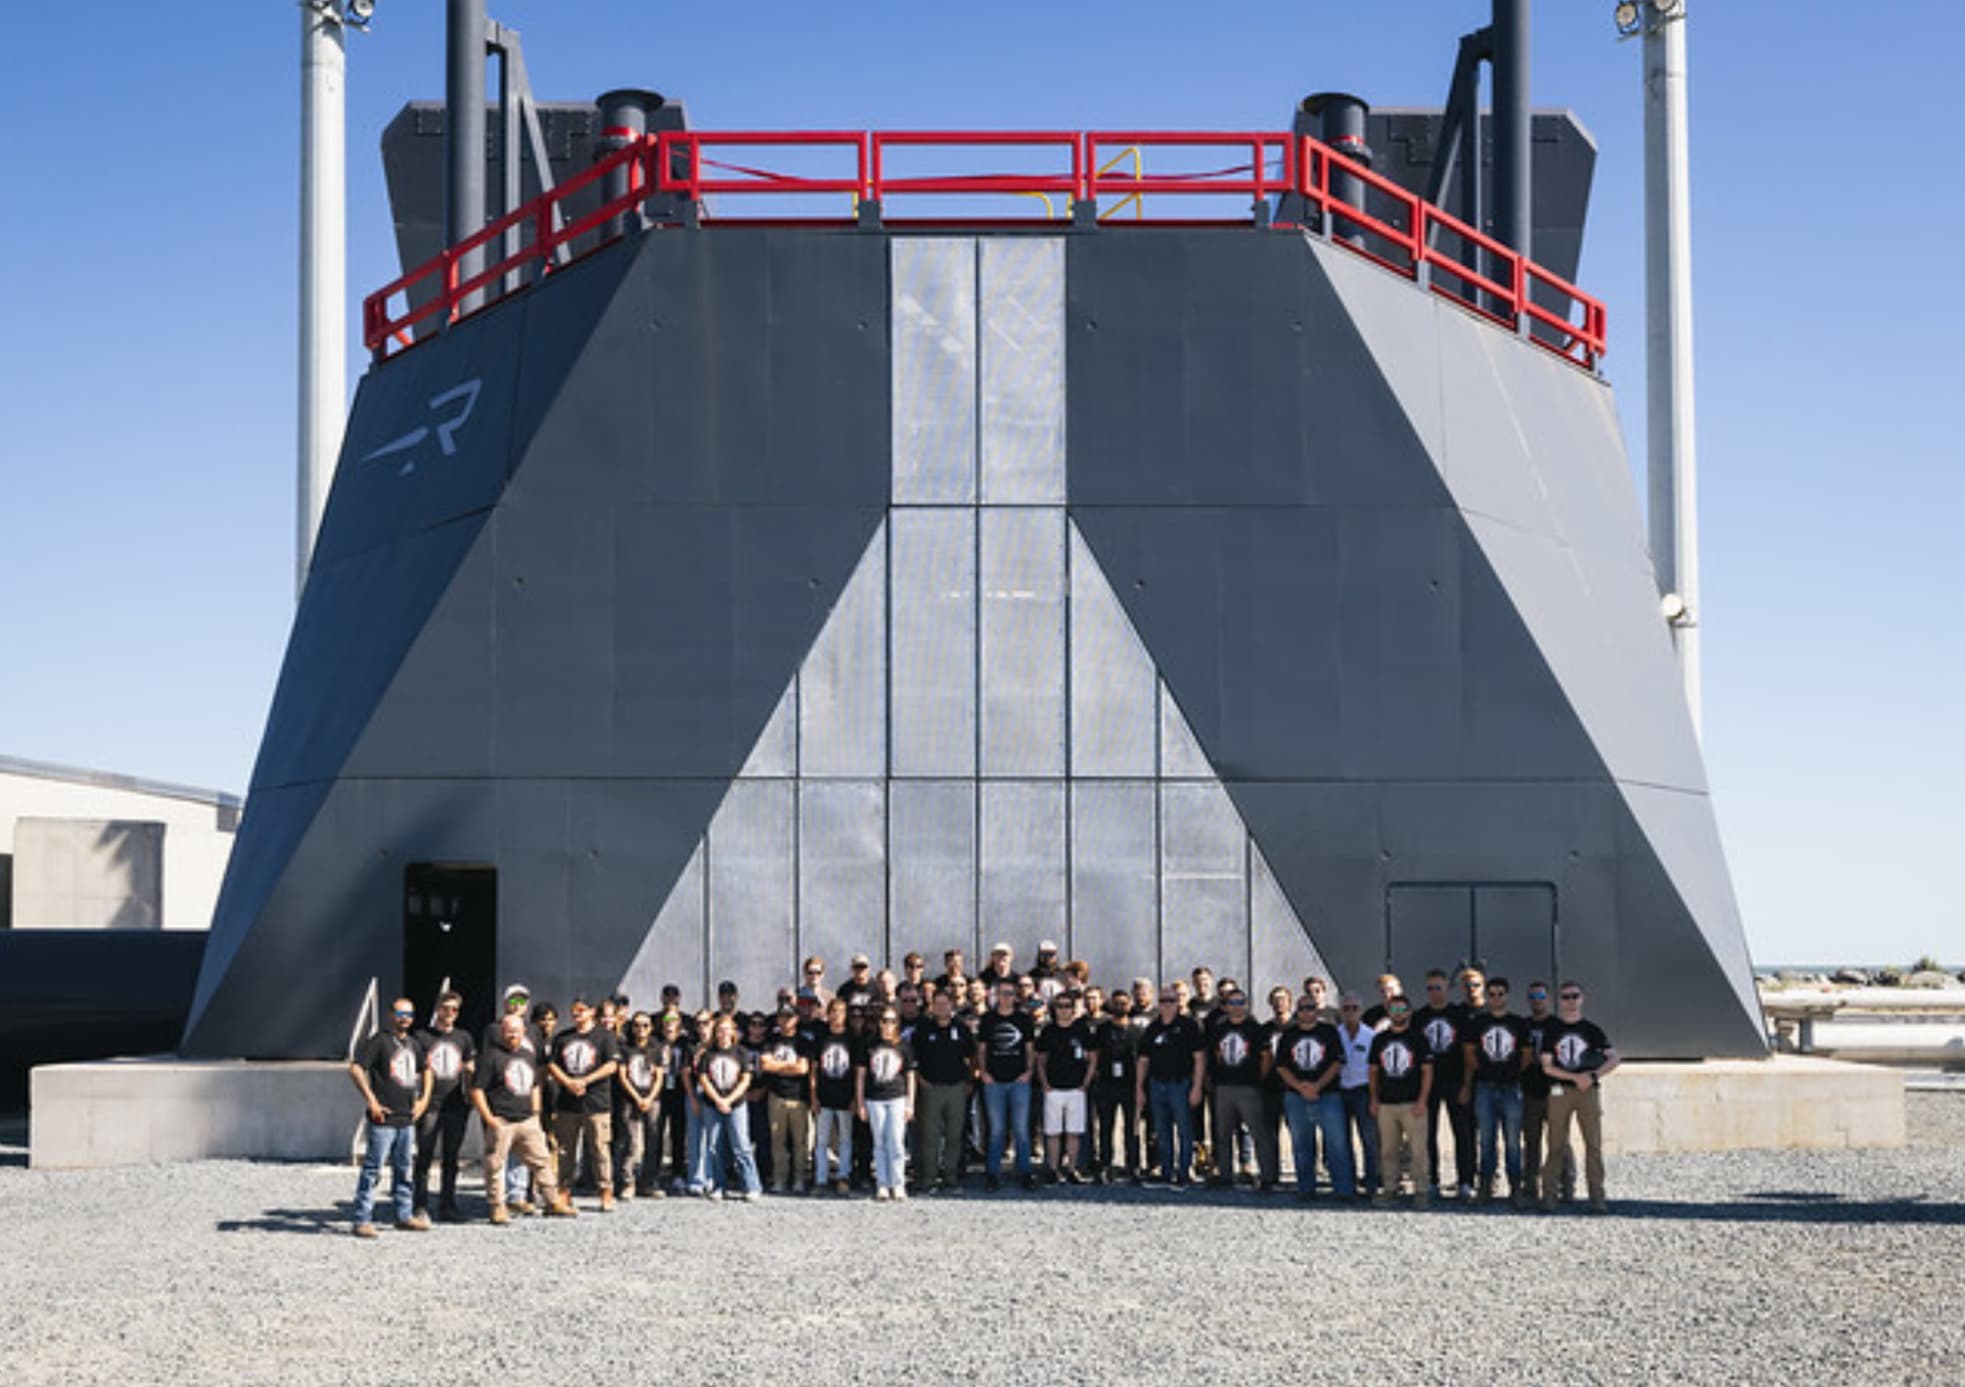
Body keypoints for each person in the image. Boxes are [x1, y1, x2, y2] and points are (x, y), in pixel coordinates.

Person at [471, 1012, 575, 1223]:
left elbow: (535, 1083)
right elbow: (476, 1090)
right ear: (501, 1032)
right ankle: (497, 1207)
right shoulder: (490, 1057)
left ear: (523, 1032)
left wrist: (536, 1112)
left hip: (527, 1120)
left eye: (516, 1032)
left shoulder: (528, 1055)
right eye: (509, 1032)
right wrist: (489, 1118)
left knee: (542, 1161)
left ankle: (552, 1202)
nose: (513, 1035)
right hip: (502, 1121)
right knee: (495, 1166)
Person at [347, 997, 433, 1237]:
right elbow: (355, 1068)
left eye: (409, 1014)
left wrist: (424, 1100)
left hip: (407, 1119)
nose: (405, 1018)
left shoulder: (414, 1045)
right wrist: (372, 1100)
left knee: (404, 1169)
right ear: (390, 1014)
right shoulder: (379, 1042)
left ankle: (403, 1215)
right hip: (383, 1119)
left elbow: (426, 1070)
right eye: (400, 1013)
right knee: (373, 1169)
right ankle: (362, 1219)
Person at [1538, 982, 1619, 1214]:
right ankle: (1550, 1196)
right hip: (1560, 1091)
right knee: (1555, 1144)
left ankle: (1597, 1197)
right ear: (1559, 1000)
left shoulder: (1592, 1030)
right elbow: (1547, 1066)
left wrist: (1592, 1076)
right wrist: (1574, 1078)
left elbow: (1613, 1059)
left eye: (1574, 996)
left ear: (1582, 999)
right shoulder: (1551, 1031)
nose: (1570, 1001)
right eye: (1565, 997)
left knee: (1593, 1144)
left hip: (1588, 1092)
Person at [1460, 976, 1530, 1205]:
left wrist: (1511, 1073)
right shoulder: (1476, 1024)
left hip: (1512, 1089)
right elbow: (1469, 1054)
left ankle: (1516, 1188)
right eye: (1492, 994)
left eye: (1501, 993)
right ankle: (1486, 1186)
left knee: (1512, 1140)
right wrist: (1483, 1075)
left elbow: (1527, 1056)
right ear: (1487, 997)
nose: (1496, 998)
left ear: (1507, 996)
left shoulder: (1519, 1024)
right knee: (1486, 1139)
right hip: (1485, 1088)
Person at [1277, 993, 1353, 1201]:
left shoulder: (1329, 1032)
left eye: (1310, 1007)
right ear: (1297, 1011)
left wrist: (1317, 1085)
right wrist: (1300, 1087)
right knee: (1302, 1144)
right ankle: (1306, 1188)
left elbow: (1337, 1062)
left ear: (1317, 1010)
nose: (1306, 1012)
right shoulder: (1289, 1034)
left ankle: (1343, 1190)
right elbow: (1281, 1066)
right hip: (1296, 1096)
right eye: (1302, 1008)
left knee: (1337, 1144)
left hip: (1328, 1094)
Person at [548, 996, 620, 1211]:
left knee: (599, 1148)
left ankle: (606, 1191)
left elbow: (612, 1065)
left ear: (591, 1012)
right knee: (565, 1150)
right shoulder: (562, 1038)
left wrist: (586, 1080)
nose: (577, 1014)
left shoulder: (605, 1037)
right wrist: (568, 1082)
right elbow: (552, 1065)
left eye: (581, 1010)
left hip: (596, 1102)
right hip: (567, 1104)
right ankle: (564, 1190)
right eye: (574, 1010)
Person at [412, 989, 475, 1223]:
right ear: (437, 1009)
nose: (449, 1013)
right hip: (430, 1104)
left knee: (452, 1156)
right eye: (445, 1008)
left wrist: (470, 1095)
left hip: (456, 1105)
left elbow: (469, 1067)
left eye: (454, 1009)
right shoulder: (421, 1037)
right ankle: (420, 1204)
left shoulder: (464, 1038)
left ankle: (448, 1203)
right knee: (424, 1155)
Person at [1414, 969, 1476, 1200]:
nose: (1434, 992)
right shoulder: (1419, 1017)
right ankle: (1432, 1181)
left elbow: (1469, 1053)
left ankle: (1466, 1181)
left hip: (1455, 1080)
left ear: (1447, 989)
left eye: (1438, 987)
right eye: (1430, 988)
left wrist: (1466, 1084)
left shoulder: (1459, 1016)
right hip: (1429, 1084)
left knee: (1463, 1132)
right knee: (1428, 1134)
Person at [1136, 985, 1204, 1191]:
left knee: (1184, 1129)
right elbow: (1143, 1061)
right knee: (1161, 1130)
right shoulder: (1152, 1028)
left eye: (1171, 1001)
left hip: (1181, 1084)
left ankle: (1184, 1173)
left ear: (1178, 1003)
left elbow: (1199, 1059)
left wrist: (1197, 1087)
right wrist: (1139, 1089)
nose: (1167, 1005)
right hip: (1157, 1084)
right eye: (1164, 1001)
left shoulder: (1189, 1026)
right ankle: (1166, 1172)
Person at [1207, 988, 1277, 1190]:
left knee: (1258, 1133)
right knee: (1223, 1133)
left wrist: (1258, 1079)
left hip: (1249, 1087)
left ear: (1246, 1005)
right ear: (1226, 1006)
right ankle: (1226, 1175)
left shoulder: (1255, 1028)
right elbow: (1217, 1053)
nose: (1236, 1007)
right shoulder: (1219, 1028)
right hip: (1224, 1086)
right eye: (1232, 1003)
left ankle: (1267, 1176)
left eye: (1240, 1003)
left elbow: (1266, 1058)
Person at [1368, 996, 1432, 1208]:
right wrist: (1374, 1099)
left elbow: (1427, 1072)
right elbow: (1374, 1072)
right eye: (1393, 1008)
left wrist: (1422, 1100)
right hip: (1386, 1103)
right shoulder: (1379, 1040)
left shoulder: (1419, 1039)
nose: (1397, 1013)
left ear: (1409, 1012)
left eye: (1402, 1009)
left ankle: (1421, 1191)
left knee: (1417, 1150)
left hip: (1412, 1103)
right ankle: (1390, 1188)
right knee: (1388, 1150)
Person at [976, 979, 1037, 1192]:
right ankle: (992, 1173)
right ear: (996, 996)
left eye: (1011, 993)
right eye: (1003, 993)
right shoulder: (988, 1019)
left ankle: (1025, 1171)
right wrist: (983, 1072)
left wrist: (1029, 1072)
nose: (1007, 997)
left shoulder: (1023, 1020)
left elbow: (1030, 1049)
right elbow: (982, 1049)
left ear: (1016, 996)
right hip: (994, 1082)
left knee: (1021, 1129)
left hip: (1019, 1081)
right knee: (996, 1130)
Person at [911, 988, 974, 1193]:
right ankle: (929, 1179)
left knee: (954, 1135)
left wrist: (968, 1080)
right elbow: (913, 1059)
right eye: (936, 1003)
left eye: (944, 1004)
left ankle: (950, 1178)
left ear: (952, 1006)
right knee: (929, 1136)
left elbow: (972, 1056)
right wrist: (921, 1080)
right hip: (931, 1089)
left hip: (956, 1088)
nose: (941, 1007)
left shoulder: (961, 1028)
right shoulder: (923, 1029)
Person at [695, 1014, 763, 1201]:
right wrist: (718, 1100)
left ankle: (751, 1185)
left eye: (727, 1029)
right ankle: (719, 1185)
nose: (724, 1033)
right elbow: (703, 1079)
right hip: (712, 1104)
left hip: (737, 1104)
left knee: (741, 1144)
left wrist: (729, 1100)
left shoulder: (741, 1052)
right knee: (714, 1146)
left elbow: (745, 1080)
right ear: (715, 1032)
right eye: (720, 1030)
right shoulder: (708, 1054)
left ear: (733, 1032)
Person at [1035, 990, 1097, 1184]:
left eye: (1067, 1006)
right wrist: (1045, 1084)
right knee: (1053, 1132)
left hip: (1076, 1089)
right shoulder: (1048, 1031)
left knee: (1073, 1132)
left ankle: (1072, 1169)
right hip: (1054, 1089)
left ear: (1073, 1009)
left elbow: (1093, 1058)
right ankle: (1053, 1169)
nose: (1063, 1010)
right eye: (1059, 1006)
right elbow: (1041, 1059)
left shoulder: (1082, 1030)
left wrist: (1085, 1083)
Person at [1520, 980, 1571, 1204]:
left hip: (1555, 1091)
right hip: (1530, 1091)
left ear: (1549, 999)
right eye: (1532, 997)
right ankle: (1531, 1184)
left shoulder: (1558, 1026)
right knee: (1531, 1141)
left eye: (1541, 997)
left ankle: (1565, 1184)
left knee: (1559, 1141)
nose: (1536, 1002)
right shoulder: (1523, 1025)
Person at [858, 1006, 916, 1201]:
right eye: (884, 1020)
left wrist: (910, 1103)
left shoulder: (904, 1046)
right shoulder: (869, 1044)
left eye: (892, 1021)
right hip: (874, 1099)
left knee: (897, 1142)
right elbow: (860, 1076)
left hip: (897, 1097)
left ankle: (898, 1184)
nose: (887, 1025)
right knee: (880, 1142)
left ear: (897, 1024)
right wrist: (860, 1103)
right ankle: (882, 1184)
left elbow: (910, 1076)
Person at [759, 1006, 815, 1194]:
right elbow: (765, 1064)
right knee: (778, 1141)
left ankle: (799, 1178)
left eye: (789, 1017)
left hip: (798, 1097)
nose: (786, 1021)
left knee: (800, 1142)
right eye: (782, 1016)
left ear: (796, 1019)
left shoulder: (803, 1042)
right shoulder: (771, 1040)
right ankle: (779, 1178)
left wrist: (778, 1066)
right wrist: (790, 1066)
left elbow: (803, 1069)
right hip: (776, 1096)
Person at [614, 1011, 668, 1200]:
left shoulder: (657, 1047)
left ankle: (649, 1182)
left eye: (645, 1025)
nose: (641, 1029)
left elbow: (660, 1076)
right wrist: (637, 1097)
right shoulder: (625, 1047)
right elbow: (622, 1075)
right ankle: (628, 1182)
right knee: (631, 1142)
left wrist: (649, 1098)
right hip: (630, 1099)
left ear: (651, 1027)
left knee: (653, 1141)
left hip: (653, 1099)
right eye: (637, 1025)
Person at [1090, 986, 1140, 1184]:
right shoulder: (1102, 1030)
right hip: (1107, 1084)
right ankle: (1105, 1165)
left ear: (1129, 1005)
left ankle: (1133, 1165)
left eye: (1123, 1003)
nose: (1120, 1007)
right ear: (1109, 1005)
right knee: (1105, 1127)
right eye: (1116, 1003)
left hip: (1130, 1084)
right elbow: (1094, 1055)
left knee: (1132, 1128)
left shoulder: (1137, 1031)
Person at [811, 999, 860, 1195]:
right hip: (824, 1095)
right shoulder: (821, 1038)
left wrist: (856, 1098)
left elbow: (858, 1071)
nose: (837, 1016)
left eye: (841, 1012)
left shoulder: (852, 1039)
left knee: (845, 1139)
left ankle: (843, 1176)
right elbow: (814, 1070)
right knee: (821, 1140)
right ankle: (821, 1178)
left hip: (845, 1096)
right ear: (828, 1013)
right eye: (833, 1011)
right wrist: (814, 1096)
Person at [1334, 993, 1380, 1198]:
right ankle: (1347, 1184)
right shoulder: (1335, 1034)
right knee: (1342, 1141)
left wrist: (1374, 1097)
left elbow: (1376, 1070)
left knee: (1369, 1140)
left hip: (1364, 1091)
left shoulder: (1371, 1036)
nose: (1350, 1012)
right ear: (1340, 1012)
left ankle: (1371, 1182)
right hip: (1340, 1091)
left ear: (1361, 1011)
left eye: (1354, 1008)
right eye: (1346, 1008)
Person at [652, 1010, 688, 1194]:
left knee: (678, 1133)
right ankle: (654, 1172)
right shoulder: (656, 1042)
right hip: (660, 1091)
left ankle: (678, 1173)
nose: (670, 1023)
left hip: (679, 1092)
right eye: (667, 1020)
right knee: (656, 1133)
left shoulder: (684, 1043)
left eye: (674, 1020)